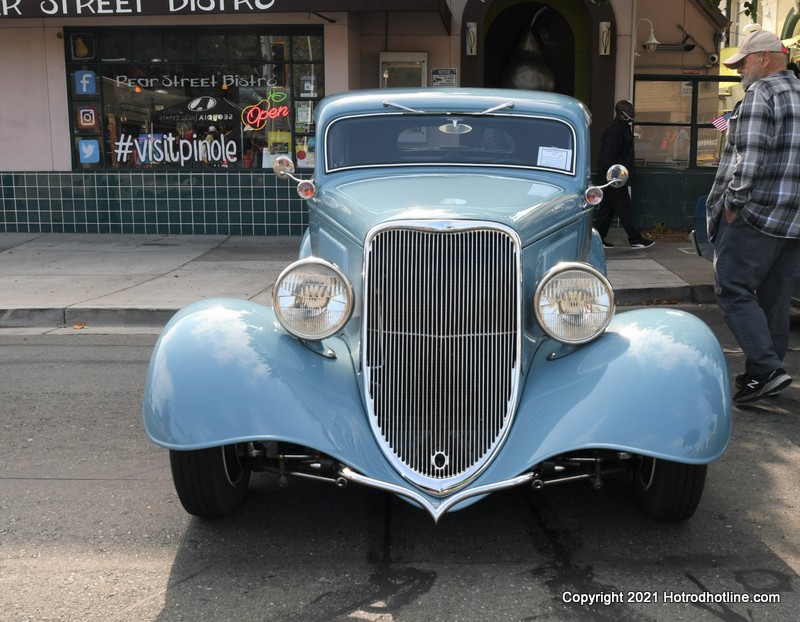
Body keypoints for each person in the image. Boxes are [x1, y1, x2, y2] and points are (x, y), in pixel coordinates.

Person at [706, 29, 800, 403]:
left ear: (763, 58)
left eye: (743, 62)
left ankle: (765, 369)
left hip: (757, 214)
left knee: (731, 287)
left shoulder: (762, 93)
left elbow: (750, 159)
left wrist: (732, 204)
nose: (740, 70)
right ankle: (766, 375)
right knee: (775, 299)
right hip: (793, 221)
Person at [594, 99, 654, 249]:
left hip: (616, 177)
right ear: (621, 113)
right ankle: (635, 239)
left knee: (607, 209)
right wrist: (615, 179)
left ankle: (598, 238)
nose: (633, 113)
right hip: (615, 178)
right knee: (624, 207)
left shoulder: (622, 128)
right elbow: (608, 156)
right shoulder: (615, 130)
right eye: (629, 111)